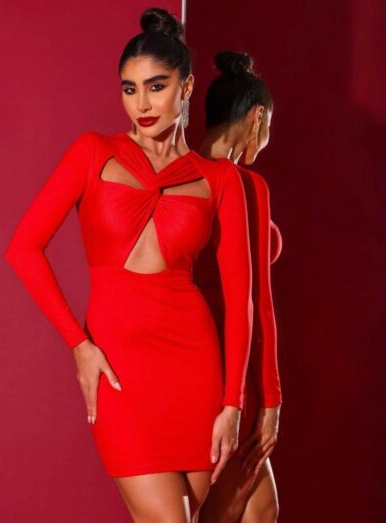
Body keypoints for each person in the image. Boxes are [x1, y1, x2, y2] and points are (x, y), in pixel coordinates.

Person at [4, 10, 253, 523]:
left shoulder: (220, 180)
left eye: (156, 87)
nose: (141, 104)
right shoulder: (93, 152)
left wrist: (232, 403)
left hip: (195, 368)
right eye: (129, 89)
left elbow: (240, 298)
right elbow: (23, 248)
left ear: (186, 87)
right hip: (120, 370)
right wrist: (80, 346)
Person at [191, 51, 283, 523]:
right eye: (268, 127)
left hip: (185, 359)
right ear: (256, 117)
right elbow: (258, 302)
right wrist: (271, 402)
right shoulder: (244, 184)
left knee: (257, 508)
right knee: (226, 513)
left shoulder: (178, 176)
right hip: (230, 370)